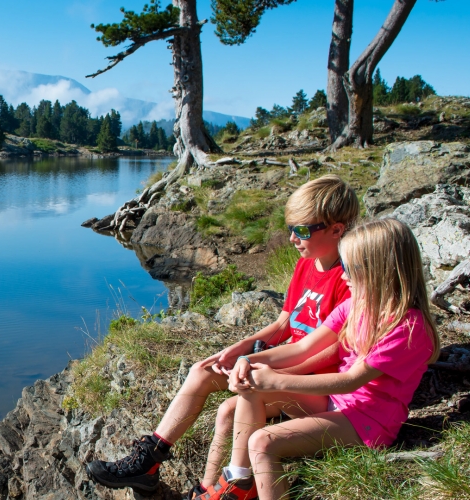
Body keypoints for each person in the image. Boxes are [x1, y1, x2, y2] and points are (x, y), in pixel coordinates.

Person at [86, 175, 360, 494]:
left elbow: (334, 351)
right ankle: (150, 460)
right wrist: (240, 349)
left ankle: (215, 489)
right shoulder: (307, 265)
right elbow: (284, 324)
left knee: (228, 410)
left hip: (308, 379)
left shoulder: (350, 279)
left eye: (302, 231)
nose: (292, 240)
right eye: (290, 230)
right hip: (283, 362)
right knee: (202, 371)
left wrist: (272, 370)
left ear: (336, 229)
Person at [203, 218, 440, 500]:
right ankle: (239, 482)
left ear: (379, 270)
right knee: (252, 388)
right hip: (336, 404)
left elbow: (351, 381)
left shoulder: (407, 327)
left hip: (369, 423)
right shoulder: (356, 305)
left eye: (351, 268)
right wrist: (250, 360)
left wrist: (276, 380)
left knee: (262, 443)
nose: (342, 275)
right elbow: (303, 349)